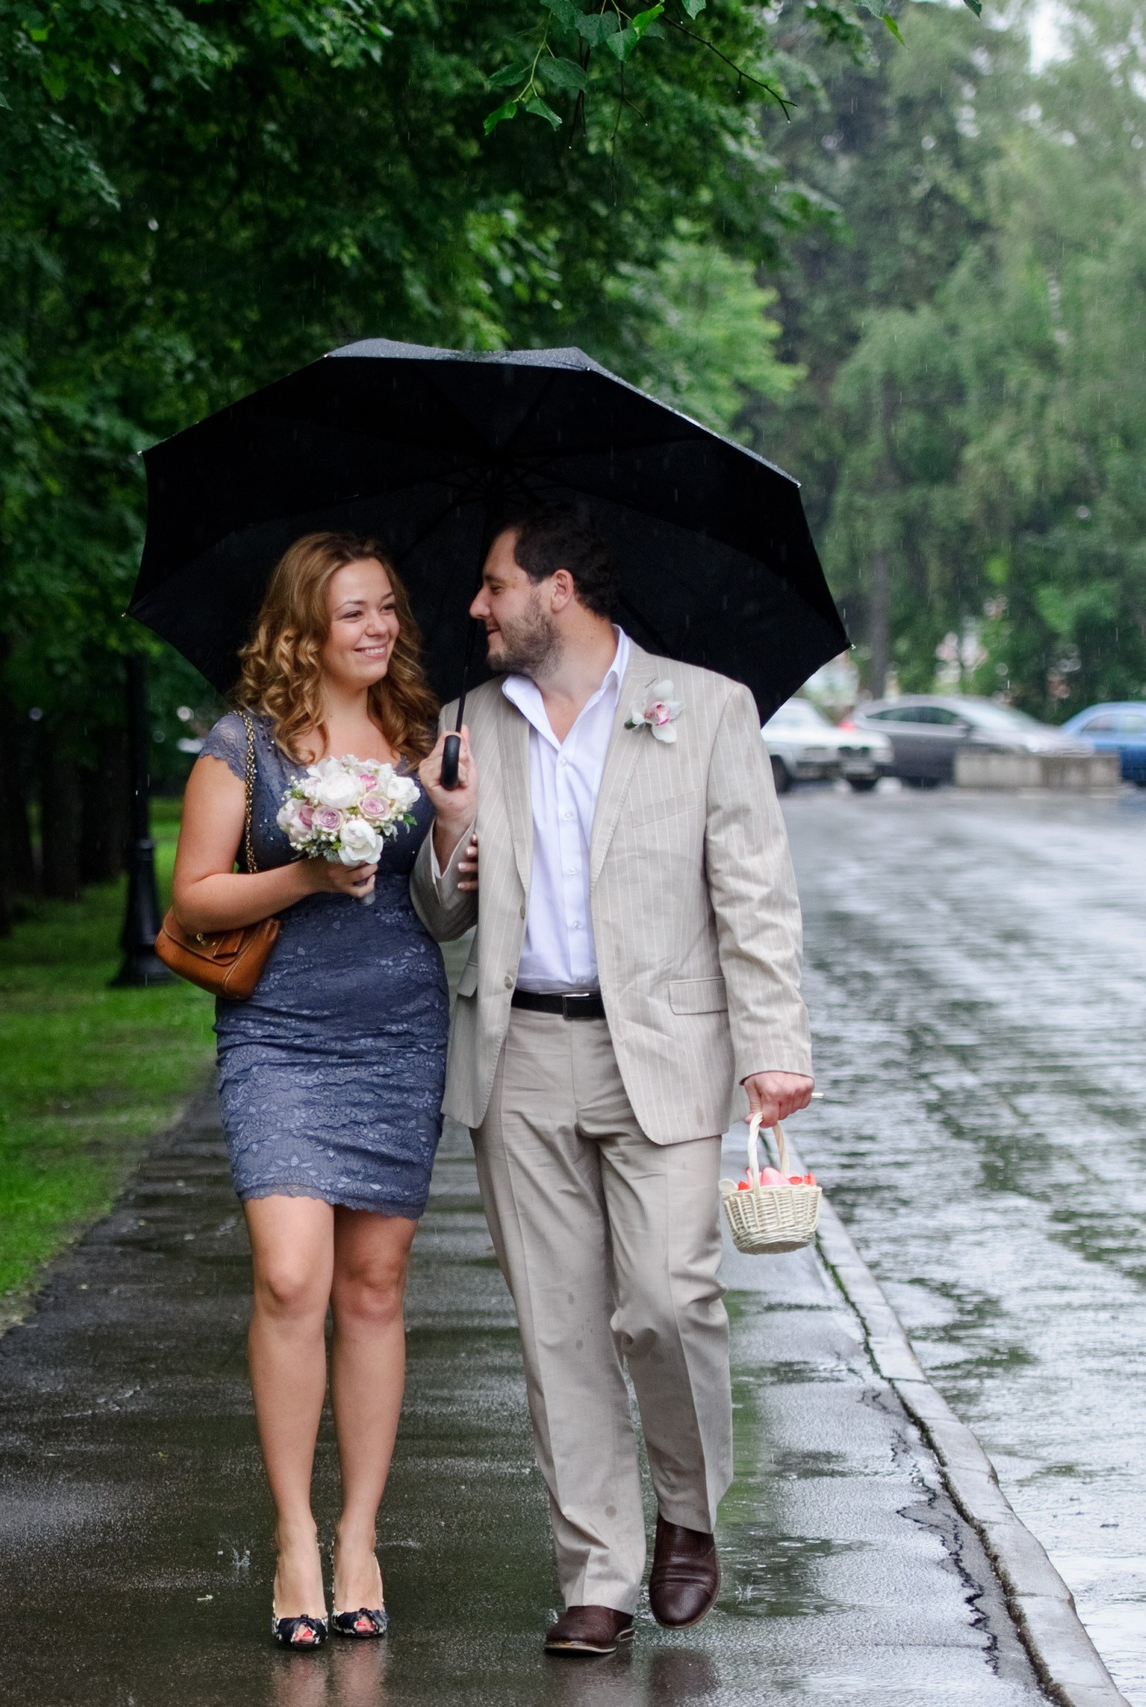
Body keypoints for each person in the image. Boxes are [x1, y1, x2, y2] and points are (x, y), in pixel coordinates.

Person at [410, 506, 814, 1658]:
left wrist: (774, 1047)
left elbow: (754, 895)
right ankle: (596, 1570)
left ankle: (686, 1509)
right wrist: (446, 839)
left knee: (666, 1299)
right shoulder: (464, 723)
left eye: (494, 585)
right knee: (556, 1330)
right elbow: (438, 912)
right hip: (519, 1056)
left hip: (668, 1053)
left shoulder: (705, 707)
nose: (475, 607)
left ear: (562, 589)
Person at [170, 530, 457, 1650]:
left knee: (374, 1286)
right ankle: (292, 1532)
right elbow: (194, 895)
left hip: (398, 1026)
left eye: (387, 607)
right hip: (280, 1035)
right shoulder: (241, 745)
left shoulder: (423, 741)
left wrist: (456, 832)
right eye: (353, 613)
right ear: (303, 628)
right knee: (292, 1276)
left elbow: (446, 903)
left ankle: (359, 1537)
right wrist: (308, 870)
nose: (379, 628)